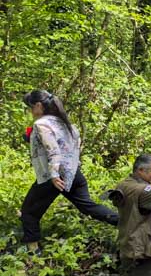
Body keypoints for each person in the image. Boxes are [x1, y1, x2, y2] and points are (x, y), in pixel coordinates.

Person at [20, 90, 119, 250]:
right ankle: (125, 222)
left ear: (39, 105)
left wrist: (53, 176)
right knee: (88, 206)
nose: (30, 111)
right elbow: (73, 145)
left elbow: (54, 151)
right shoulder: (64, 122)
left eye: (31, 107)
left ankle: (33, 255)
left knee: (29, 213)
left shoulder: (41, 124)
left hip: (54, 177)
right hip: (73, 174)